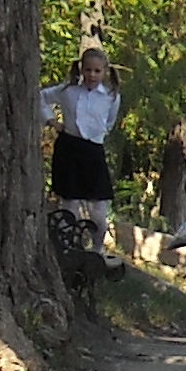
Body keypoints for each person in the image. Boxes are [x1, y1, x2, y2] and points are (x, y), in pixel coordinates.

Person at [39, 47, 122, 251]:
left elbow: (109, 121)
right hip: (69, 148)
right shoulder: (68, 91)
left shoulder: (111, 96)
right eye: (88, 70)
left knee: (98, 209)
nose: (92, 75)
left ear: (105, 72)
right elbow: (42, 97)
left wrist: (98, 135)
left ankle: (97, 249)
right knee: (70, 204)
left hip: (93, 151)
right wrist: (52, 121)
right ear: (81, 69)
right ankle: (67, 246)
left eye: (97, 71)